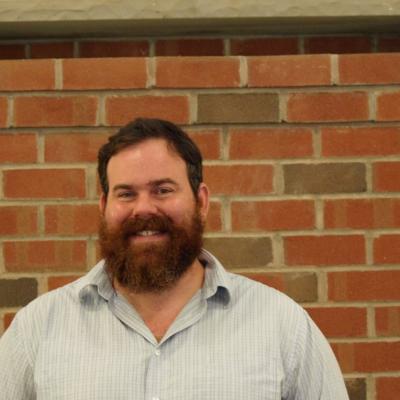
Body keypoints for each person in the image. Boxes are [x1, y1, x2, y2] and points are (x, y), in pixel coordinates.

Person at [0, 117, 349, 399]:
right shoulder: (38, 330)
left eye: (163, 190)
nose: (144, 209)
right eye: (126, 194)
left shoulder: (281, 326)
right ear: (104, 206)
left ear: (201, 201)